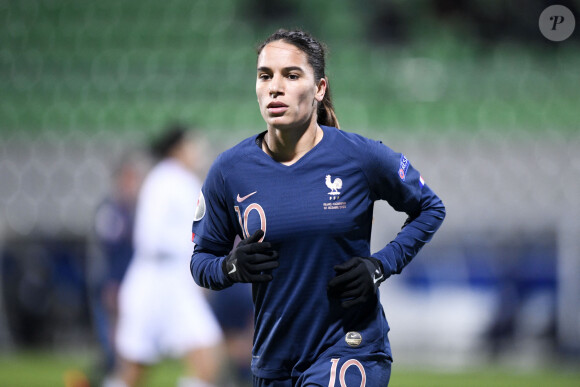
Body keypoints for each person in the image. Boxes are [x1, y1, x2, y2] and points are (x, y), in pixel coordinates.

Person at [190, 29, 445, 386]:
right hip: (274, 359)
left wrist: (380, 264)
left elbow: (430, 208)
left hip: (350, 347)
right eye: (265, 76)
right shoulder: (229, 171)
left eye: (291, 75)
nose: (275, 87)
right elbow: (201, 262)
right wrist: (230, 268)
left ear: (319, 89)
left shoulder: (360, 157)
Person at [112, 125, 223, 387]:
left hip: (171, 279)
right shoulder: (166, 179)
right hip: (157, 280)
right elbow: (150, 237)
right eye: (193, 144)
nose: (199, 151)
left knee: (206, 355)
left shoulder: (178, 180)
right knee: (135, 369)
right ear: (178, 148)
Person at [89, 154, 145, 384]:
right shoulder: (110, 211)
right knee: (115, 344)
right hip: (115, 283)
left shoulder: (139, 210)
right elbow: (110, 249)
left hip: (134, 285)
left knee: (127, 345)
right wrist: (111, 285)